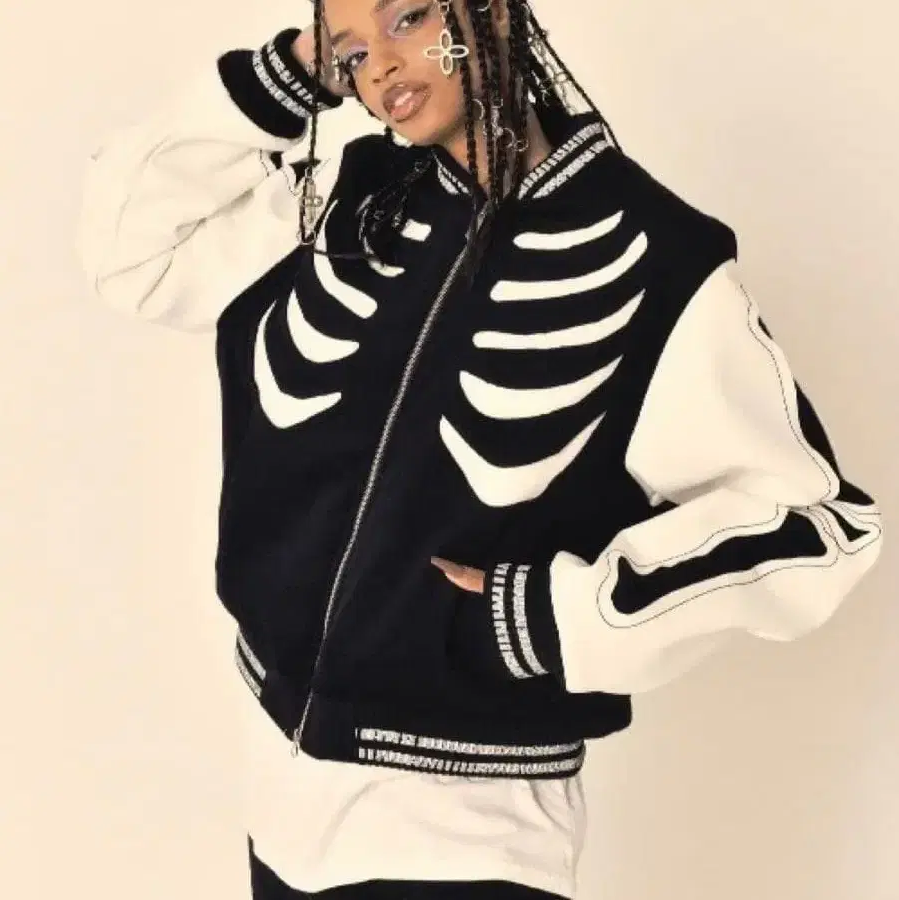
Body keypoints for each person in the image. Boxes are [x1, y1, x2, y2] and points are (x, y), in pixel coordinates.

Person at [74, 0, 885, 897]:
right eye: (351, 51)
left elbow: (820, 525)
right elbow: (129, 252)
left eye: (408, 18)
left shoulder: (660, 257)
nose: (380, 66)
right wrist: (292, 72)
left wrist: (555, 617)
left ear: (493, 10)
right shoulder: (346, 198)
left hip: (468, 830)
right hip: (283, 794)